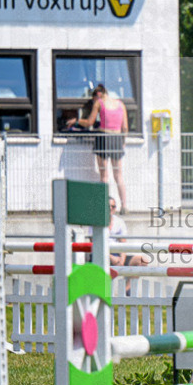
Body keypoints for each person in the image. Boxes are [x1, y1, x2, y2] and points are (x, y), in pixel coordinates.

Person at [67, 84, 129, 212]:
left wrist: (77, 121)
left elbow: (89, 122)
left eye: (93, 99)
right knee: (118, 175)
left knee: (104, 175)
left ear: (98, 95)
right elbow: (125, 128)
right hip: (117, 138)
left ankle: (103, 205)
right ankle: (124, 206)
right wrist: (123, 142)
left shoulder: (99, 103)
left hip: (103, 137)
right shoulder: (120, 104)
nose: (93, 102)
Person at [107, 197, 148, 294]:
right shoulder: (96, 222)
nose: (111, 209)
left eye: (113, 206)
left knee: (142, 261)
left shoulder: (119, 222)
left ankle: (126, 290)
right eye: (108, 206)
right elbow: (95, 245)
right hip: (102, 255)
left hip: (117, 254)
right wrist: (111, 257)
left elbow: (123, 244)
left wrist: (122, 258)